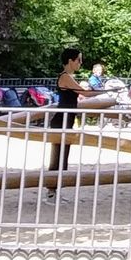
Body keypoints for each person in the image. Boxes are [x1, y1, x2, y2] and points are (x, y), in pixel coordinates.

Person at [50, 46, 83, 175]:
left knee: (62, 156)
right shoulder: (65, 77)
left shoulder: (69, 77)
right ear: (70, 61)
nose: (80, 63)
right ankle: (52, 190)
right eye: (78, 60)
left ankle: (55, 190)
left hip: (67, 119)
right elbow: (85, 92)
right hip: (61, 120)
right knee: (58, 156)